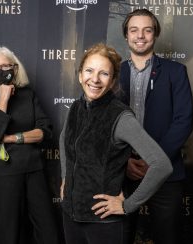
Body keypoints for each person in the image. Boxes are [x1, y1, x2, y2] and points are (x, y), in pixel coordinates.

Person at [59, 43, 173, 244]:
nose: (94, 79)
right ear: (79, 75)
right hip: (71, 215)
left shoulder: (121, 117)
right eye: (89, 71)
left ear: (112, 82)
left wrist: (128, 205)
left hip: (104, 223)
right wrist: (64, 179)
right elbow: (63, 139)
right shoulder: (76, 107)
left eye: (104, 74)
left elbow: (161, 165)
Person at [119, 9, 193, 244]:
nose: (140, 35)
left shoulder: (176, 72)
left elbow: (184, 120)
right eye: (134, 30)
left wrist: (154, 161)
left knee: (167, 237)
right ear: (126, 36)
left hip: (165, 174)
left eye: (147, 30)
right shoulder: (112, 74)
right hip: (122, 172)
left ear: (155, 34)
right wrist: (124, 161)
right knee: (119, 237)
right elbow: (103, 124)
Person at [0, 46, 59, 244]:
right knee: (9, 235)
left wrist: (12, 138)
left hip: (34, 170)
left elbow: (44, 131)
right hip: (3, 176)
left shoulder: (28, 95)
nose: (0, 71)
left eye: (5, 65)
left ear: (15, 68)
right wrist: (3, 98)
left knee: (48, 232)